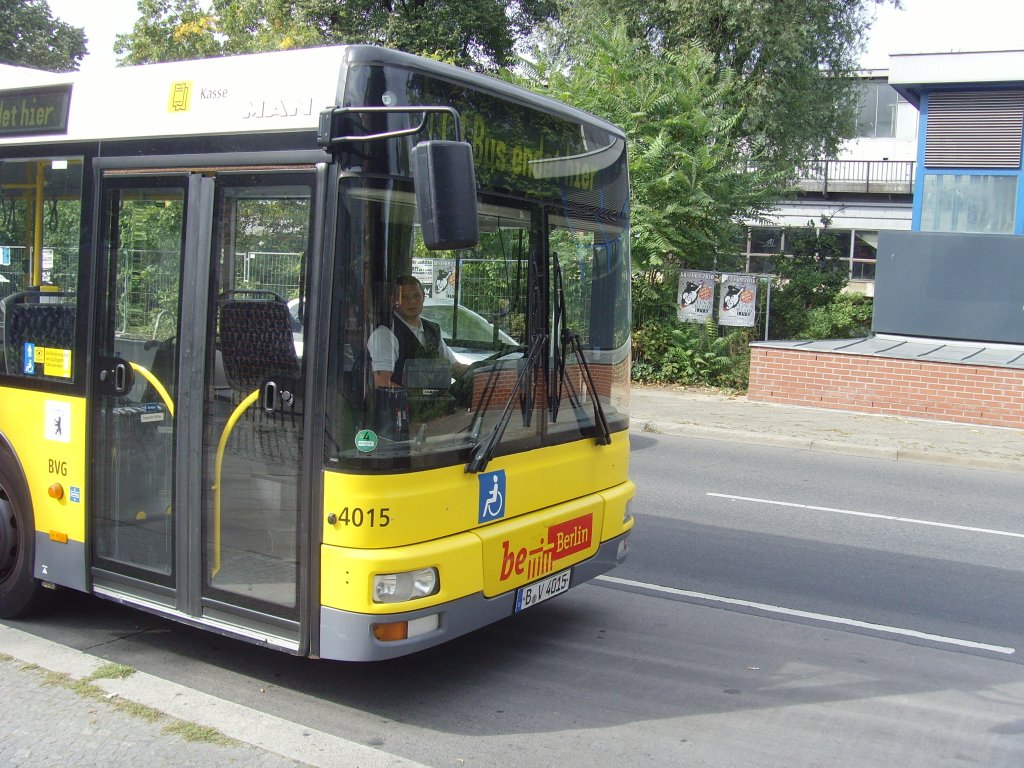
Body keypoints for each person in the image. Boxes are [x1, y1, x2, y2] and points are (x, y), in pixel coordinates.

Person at [367, 275, 468, 389]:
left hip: (434, 405)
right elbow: (382, 383)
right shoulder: (385, 334)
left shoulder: (432, 330)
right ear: (393, 300)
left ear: (423, 297)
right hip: (401, 406)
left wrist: (480, 370)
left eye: (416, 295)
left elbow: (454, 368)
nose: (412, 301)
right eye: (404, 297)